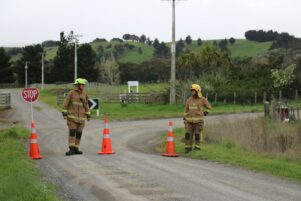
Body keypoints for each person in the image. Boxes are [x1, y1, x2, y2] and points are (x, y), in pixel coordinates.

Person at [62, 78, 91, 156]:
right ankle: (71, 149)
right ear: (78, 85)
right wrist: (64, 112)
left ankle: (76, 148)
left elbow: (86, 105)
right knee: (72, 133)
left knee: (79, 134)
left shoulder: (85, 94)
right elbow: (65, 103)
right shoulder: (71, 93)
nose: (83, 86)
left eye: (84, 85)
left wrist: (88, 114)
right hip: (72, 118)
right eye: (82, 84)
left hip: (81, 119)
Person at [183, 84, 212, 153]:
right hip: (189, 121)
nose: (192, 92)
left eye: (194, 91)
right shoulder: (189, 100)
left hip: (198, 122)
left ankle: (197, 148)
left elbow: (209, 107)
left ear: (197, 91)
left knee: (197, 135)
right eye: (192, 91)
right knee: (188, 134)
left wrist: (206, 112)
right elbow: (186, 110)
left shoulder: (203, 99)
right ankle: (188, 148)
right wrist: (184, 117)